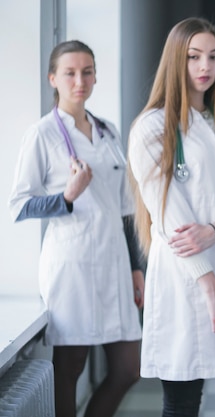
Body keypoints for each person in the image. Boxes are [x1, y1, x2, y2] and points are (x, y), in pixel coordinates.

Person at [127, 17, 215, 417]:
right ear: (176, 60)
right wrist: (212, 291)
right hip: (185, 282)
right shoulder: (153, 129)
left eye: (213, 57)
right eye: (193, 57)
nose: (205, 66)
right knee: (184, 402)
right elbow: (171, 220)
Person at [8, 40, 143, 417]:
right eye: (69, 73)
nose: (79, 80)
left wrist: (136, 267)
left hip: (115, 263)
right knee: (69, 370)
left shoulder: (109, 131)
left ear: (96, 76)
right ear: (53, 78)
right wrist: (67, 196)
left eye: (87, 71)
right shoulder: (42, 134)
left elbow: (126, 210)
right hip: (73, 266)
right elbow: (18, 206)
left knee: (129, 369)